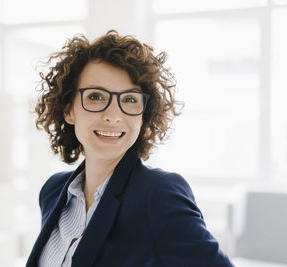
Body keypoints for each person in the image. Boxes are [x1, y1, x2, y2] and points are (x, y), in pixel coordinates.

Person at [26, 30, 234, 267]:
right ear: (68, 110)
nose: (113, 116)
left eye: (130, 100)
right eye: (95, 97)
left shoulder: (158, 195)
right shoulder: (53, 191)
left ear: (143, 115)